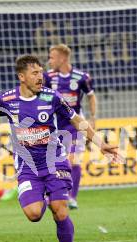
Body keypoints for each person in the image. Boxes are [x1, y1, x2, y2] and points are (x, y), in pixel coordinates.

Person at [0, 55, 119, 242]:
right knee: (33, 214)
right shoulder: (7, 99)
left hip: (54, 162)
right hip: (27, 167)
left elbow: (77, 120)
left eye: (41, 72)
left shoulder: (52, 97)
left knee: (60, 210)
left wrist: (100, 143)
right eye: (35, 73)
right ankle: (48, 196)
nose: (41, 76)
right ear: (22, 77)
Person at [43, 44, 97, 209]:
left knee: (74, 161)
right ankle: (52, 194)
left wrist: (93, 118)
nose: (49, 61)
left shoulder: (82, 77)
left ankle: (71, 197)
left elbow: (91, 97)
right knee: (54, 162)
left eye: (52, 57)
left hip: (75, 125)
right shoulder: (48, 77)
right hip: (54, 126)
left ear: (63, 58)